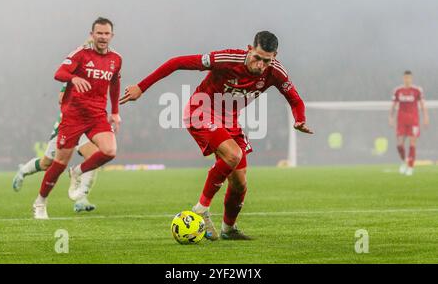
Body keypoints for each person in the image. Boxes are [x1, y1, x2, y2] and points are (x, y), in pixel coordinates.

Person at [120, 31, 313, 240]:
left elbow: (296, 100)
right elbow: (176, 63)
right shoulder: (226, 59)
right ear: (250, 49)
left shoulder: (276, 72)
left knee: (240, 183)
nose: (260, 65)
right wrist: (141, 86)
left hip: (230, 121)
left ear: (275, 55)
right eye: (257, 58)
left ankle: (228, 230)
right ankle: (201, 209)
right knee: (233, 155)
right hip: (200, 110)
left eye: (267, 60)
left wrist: (299, 118)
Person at [33, 17, 122, 219]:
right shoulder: (81, 54)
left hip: (97, 115)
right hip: (73, 116)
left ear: (112, 36)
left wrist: (115, 111)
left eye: (106, 33)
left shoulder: (116, 59)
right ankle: (40, 202)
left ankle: (77, 171)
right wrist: (73, 77)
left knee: (109, 151)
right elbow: (59, 72)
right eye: (99, 33)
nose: (103, 37)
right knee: (59, 163)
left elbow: (115, 84)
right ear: (92, 34)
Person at [13, 83, 99, 212]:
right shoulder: (76, 74)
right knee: (46, 163)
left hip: (87, 123)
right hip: (68, 124)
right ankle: (23, 170)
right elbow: (61, 97)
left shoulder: (100, 74)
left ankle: (81, 199)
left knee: (93, 157)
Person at [389, 70, 429, 176]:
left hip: (413, 121)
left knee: (412, 143)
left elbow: (422, 105)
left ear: (411, 78)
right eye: (405, 78)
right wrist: (390, 117)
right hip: (401, 120)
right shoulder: (398, 91)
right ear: (403, 78)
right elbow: (393, 105)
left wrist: (425, 117)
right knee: (399, 144)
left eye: (409, 78)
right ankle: (403, 162)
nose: (407, 80)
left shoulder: (417, 90)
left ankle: (410, 167)